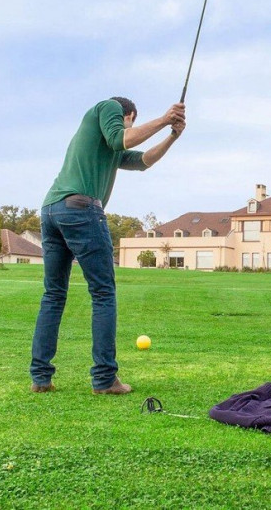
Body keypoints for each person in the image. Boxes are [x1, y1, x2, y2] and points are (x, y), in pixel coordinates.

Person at [30, 97, 186, 395]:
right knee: (103, 293)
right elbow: (122, 137)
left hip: (52, 210)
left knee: (53, 295)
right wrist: (165, 118)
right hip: (80, 210)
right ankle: (104, 379)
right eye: (132, 121)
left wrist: (172, 137)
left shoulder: (107, 149)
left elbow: (143, 162)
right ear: (129, 115)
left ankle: (41, 378)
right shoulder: (109, 108)